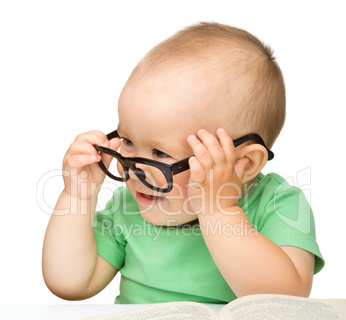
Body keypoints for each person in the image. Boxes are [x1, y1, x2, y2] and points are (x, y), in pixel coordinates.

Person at [42, 22, 324, 304]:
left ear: (246, 163)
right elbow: (70, 283)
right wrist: (78, 196)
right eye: (127, 141)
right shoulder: (127, 206)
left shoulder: (279, 204)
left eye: (161, 154)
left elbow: (287, 300)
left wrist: (218, 210)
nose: (135, 170)